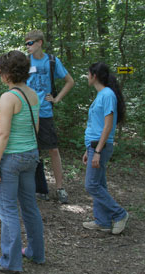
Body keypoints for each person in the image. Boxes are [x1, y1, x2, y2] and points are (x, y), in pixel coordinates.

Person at [0, 51, 44, 273]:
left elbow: (3, 135)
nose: (0, 74)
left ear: (8, 73)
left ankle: (10, 261)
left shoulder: (9, 97)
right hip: (31, 155)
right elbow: (35, 128)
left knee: (7, 209)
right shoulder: (33, 95)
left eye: (1, 70)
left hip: (12, 158)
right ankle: (36, 252)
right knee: (30, 207)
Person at [25, 30, 75, 203]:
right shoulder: (25, 62)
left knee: (52, 149)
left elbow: (70, 81)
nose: (27, 47)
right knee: (33, 150)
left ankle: (60, 188)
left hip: (45, 111)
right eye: (26, 44)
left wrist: (56, 99)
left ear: (39, 43)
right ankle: (39, 188)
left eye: (30, 43)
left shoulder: (52, 61)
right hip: (29, 112)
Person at [82, 62, 129, 235]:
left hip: (100, 146)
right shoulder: (102, 94)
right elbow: (96, 124)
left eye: (88, 74)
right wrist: (89, 150)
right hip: (94, 146)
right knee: (99, 183)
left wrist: (98, 151)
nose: (87, 77)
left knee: (91, 185)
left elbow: (108, 126)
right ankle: (102, 221)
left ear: (94, 76)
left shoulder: (107, 95)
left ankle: (120, 214)